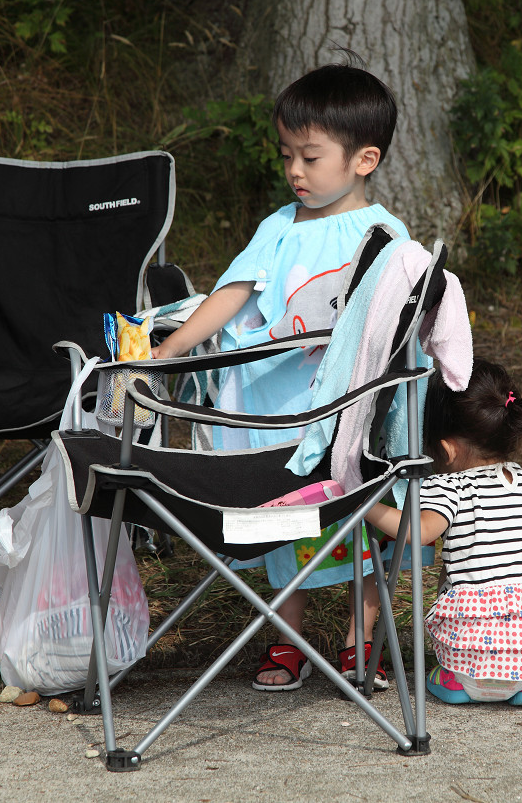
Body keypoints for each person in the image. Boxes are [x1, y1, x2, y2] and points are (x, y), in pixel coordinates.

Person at [151, 58, 406, 691]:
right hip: (275, 414)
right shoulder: (279, 227)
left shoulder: (385, 236)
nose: (295, 170)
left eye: (310, 158)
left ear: (364, 160)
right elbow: (234, 290)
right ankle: (286, 637)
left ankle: (360, 641)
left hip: (349, 414)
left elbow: (397, 326)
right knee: (280, 526)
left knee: (360, 521)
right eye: (287, 154)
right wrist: (174, 346)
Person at [365, 360, 522, 707]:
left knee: (445, 660)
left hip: (472, 664)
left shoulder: (451, 486)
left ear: (446, 449)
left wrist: (367, 506)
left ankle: (456, 682)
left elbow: (417, 533)